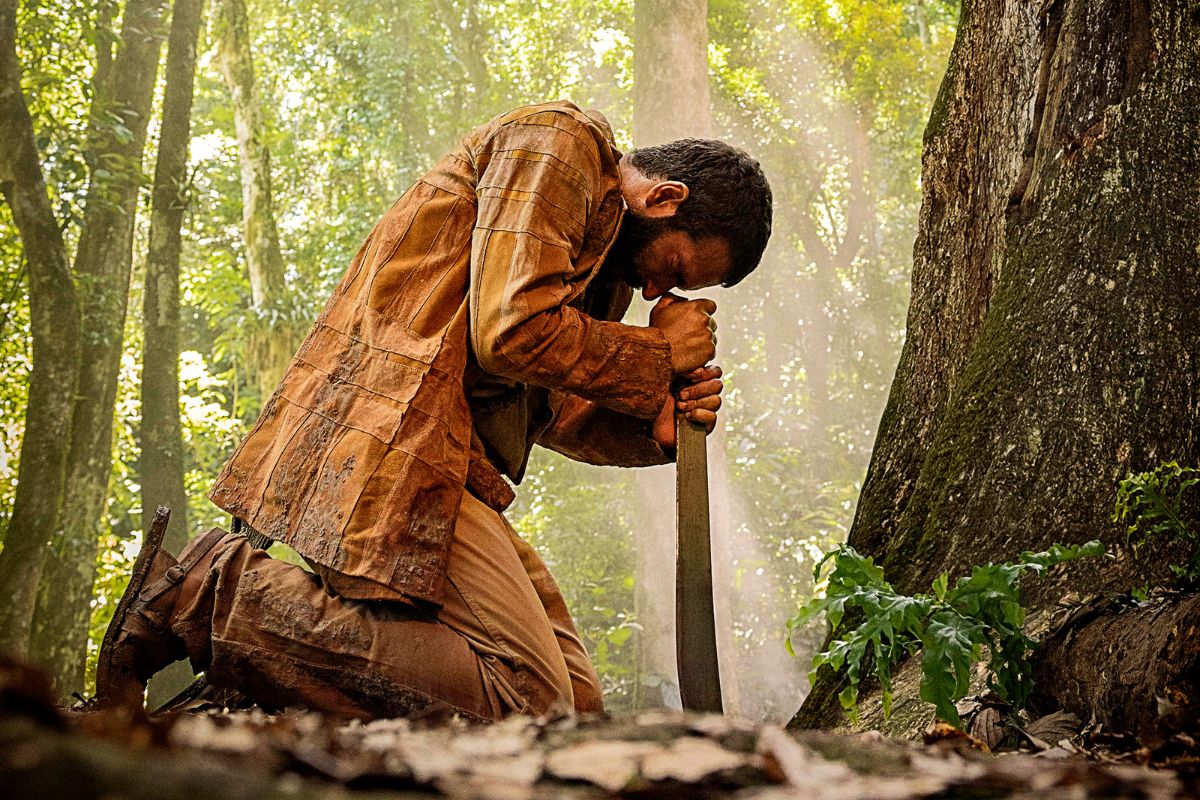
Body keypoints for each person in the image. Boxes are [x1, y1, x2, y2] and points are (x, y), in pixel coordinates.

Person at [95, 101, 772, 720]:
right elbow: (509, 333)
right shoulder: (561, 144)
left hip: (449, 472)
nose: (658, 289)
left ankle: (269, 672)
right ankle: (208, 595)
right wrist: (656, 352)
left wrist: (648, 430)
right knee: (529, 706)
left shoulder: (599, 270)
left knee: (578, 718)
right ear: (664, 196)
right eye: (673, 269)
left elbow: (548, 411)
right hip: (389, 444)